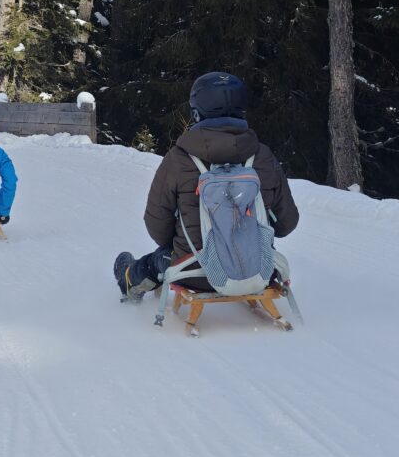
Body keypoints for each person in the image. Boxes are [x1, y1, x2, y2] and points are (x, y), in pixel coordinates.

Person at [114, 72, 299, 300]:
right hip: (259, 271)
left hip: (194, 273)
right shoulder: (263, 157)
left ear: (196, 111)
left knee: (159, 259)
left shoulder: (179, 159)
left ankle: (130, 278)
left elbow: (157, 225)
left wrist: (179, 242)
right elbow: (286, 224)